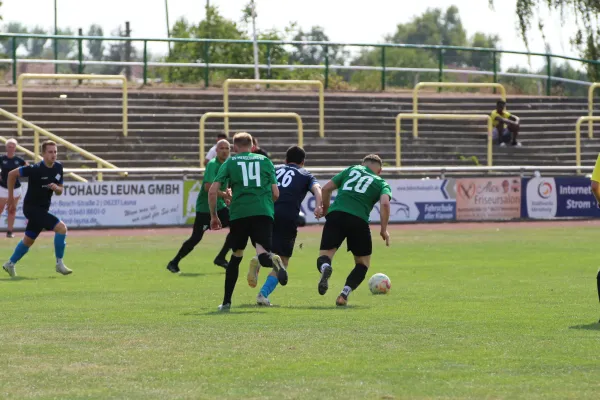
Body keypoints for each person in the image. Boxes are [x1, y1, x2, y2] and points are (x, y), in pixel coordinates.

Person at [208, 132, 287, 311]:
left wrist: (214, 216)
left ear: (234, 147)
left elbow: (212, 191)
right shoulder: (265, 161)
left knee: (236, 256)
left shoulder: (230, 162)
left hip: (239, 213)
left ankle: (227, 302)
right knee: (263, 253)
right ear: (252, 146)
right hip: (263, 212)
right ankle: (274, 259)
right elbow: (276, 193)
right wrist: (264, 206)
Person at [316, 154, 392, 307]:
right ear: (380, 171)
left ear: (362, 164)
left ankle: (325, 267)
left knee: (326, 255)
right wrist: (384, 230)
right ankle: (344, 294)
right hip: (359, 220)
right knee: (362, 264)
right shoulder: (380, 182)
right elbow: (384, 203)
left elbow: (326, 189)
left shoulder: (351, 170)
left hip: (336, 215)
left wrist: (325, 210)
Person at [253, 146, 323, 306]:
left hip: (266, 211)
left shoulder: (274, 169)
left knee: (265, 249)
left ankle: (258, 258)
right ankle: (263, 294)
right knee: (282, 261)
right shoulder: (306, 174)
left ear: (285, 160)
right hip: (288, 216)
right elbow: (317, 189)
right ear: (303, 162)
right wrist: (319, 206)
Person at [2, 140, 71, 277]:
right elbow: (11, 174)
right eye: (50, 152)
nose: (54, 155)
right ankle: (59, 264)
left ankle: (10, 263)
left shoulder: (58, 167)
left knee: (29, 240)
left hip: (42, 209)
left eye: (55, 152)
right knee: (61, 228)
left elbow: (60, 190)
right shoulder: (35, 169)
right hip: (31, 208)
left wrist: (57, 188)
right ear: (43, 154)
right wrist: (10, 197)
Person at [166, 139, 233, 273]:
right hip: (205, 208)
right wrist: (225, 195)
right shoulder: (213, 165)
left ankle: (221, 257)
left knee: (237, 227)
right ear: (216, 151)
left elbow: (227, 183)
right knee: (196, 238)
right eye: (221, 148)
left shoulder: (228, 165)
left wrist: (227, 193)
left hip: (219, 206)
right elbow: (209, 187)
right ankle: (174, 262)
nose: (224, 151)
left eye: (227, 148)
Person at [0, 138, 27, 238]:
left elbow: (27, 168)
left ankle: (10, 231)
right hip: (3, 187)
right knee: (0, 208)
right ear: (6, 147)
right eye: (9, 146)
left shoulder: (19, 160)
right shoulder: (2, 159)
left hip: (15, 188)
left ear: (15, 148)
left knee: (12, 210)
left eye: (13, 146)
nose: (11, 148)